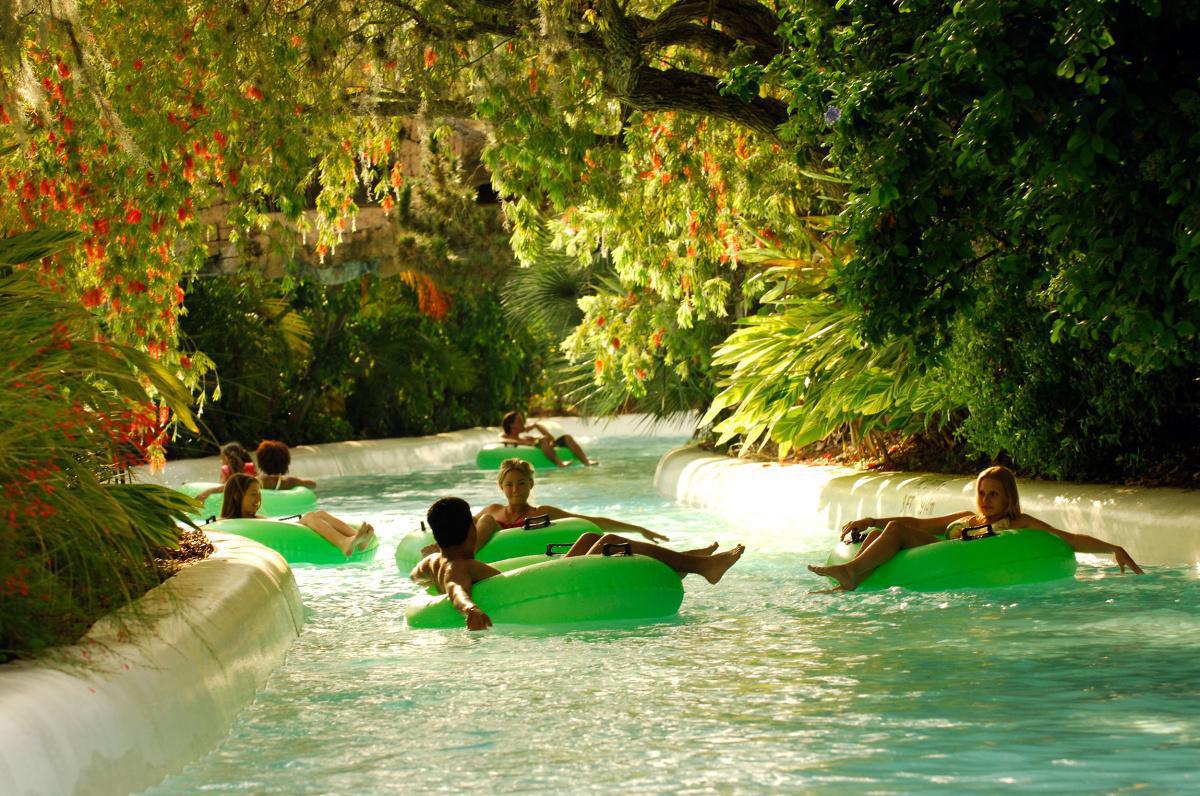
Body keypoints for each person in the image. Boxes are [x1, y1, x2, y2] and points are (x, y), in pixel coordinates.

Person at [411, 497, 745, 631]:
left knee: (587, 540)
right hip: (545, 589)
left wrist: (422, 579)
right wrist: (470, 610)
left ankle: (687, 562)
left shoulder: (434, 562)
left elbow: (418, 575)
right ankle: (700, 566)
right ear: (472, 531)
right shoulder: (458, 568)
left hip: (543, 579)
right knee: (608, 541)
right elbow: (456, 590)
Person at [807, 465, 1144, 591]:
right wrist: (870, 521)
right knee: (880, 534)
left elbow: (1066, 538)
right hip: (931, 551)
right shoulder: (968, 518)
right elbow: (920, 524)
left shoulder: (1017, 523)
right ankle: (852, 578)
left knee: (894, 529)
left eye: (994, 494)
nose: (986, 500)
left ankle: (851, 572)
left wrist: (1113, 548)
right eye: (983, 493)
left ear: (1008, 497)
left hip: (951, 558)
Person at [220, 473, 374, 557]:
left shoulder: (256, 519)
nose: (258, 499)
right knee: (311, 517)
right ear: (236, 496)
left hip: (282, 530)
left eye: (259, 494)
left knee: (320, 514)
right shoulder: (225, 524)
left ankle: (357, 538)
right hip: (282, 535)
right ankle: (344, 543)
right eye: (254, 494)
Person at [499, 410, 593, 467]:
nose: (523, 424)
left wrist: (536, 426)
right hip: (534, 450)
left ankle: (586, 461)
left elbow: (550, 438)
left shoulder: (526, 437)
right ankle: (560, 463)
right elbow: (503, 441)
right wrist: (528, 443)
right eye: (520, 421)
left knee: (566, 438)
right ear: (511, 425)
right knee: (543, 439)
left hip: (543, 447)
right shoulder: (504, 436)